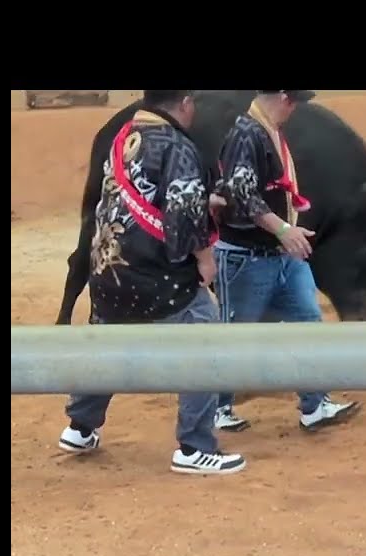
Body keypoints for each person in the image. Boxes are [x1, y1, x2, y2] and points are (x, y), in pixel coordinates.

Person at [56, 90, 246, 476]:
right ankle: (195, 446)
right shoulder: (178, 145)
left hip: (108, 269)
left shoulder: (124, 138)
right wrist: (205, 258)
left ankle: (80, 426)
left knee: (108, 344)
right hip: (157, 277)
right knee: (204, 338)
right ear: (186, 103)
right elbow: (183, 218)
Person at [210, 89, 360, 433]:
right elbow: (242, 194)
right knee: (232, 337)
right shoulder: (247, 134)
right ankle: (216, 408)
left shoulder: (264, 132)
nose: (293, 108)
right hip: (246, 259)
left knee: (307, 320)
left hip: (279, 256)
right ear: (279, 96)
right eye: (292, 100)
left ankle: (314, 404)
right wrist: (283, 229)